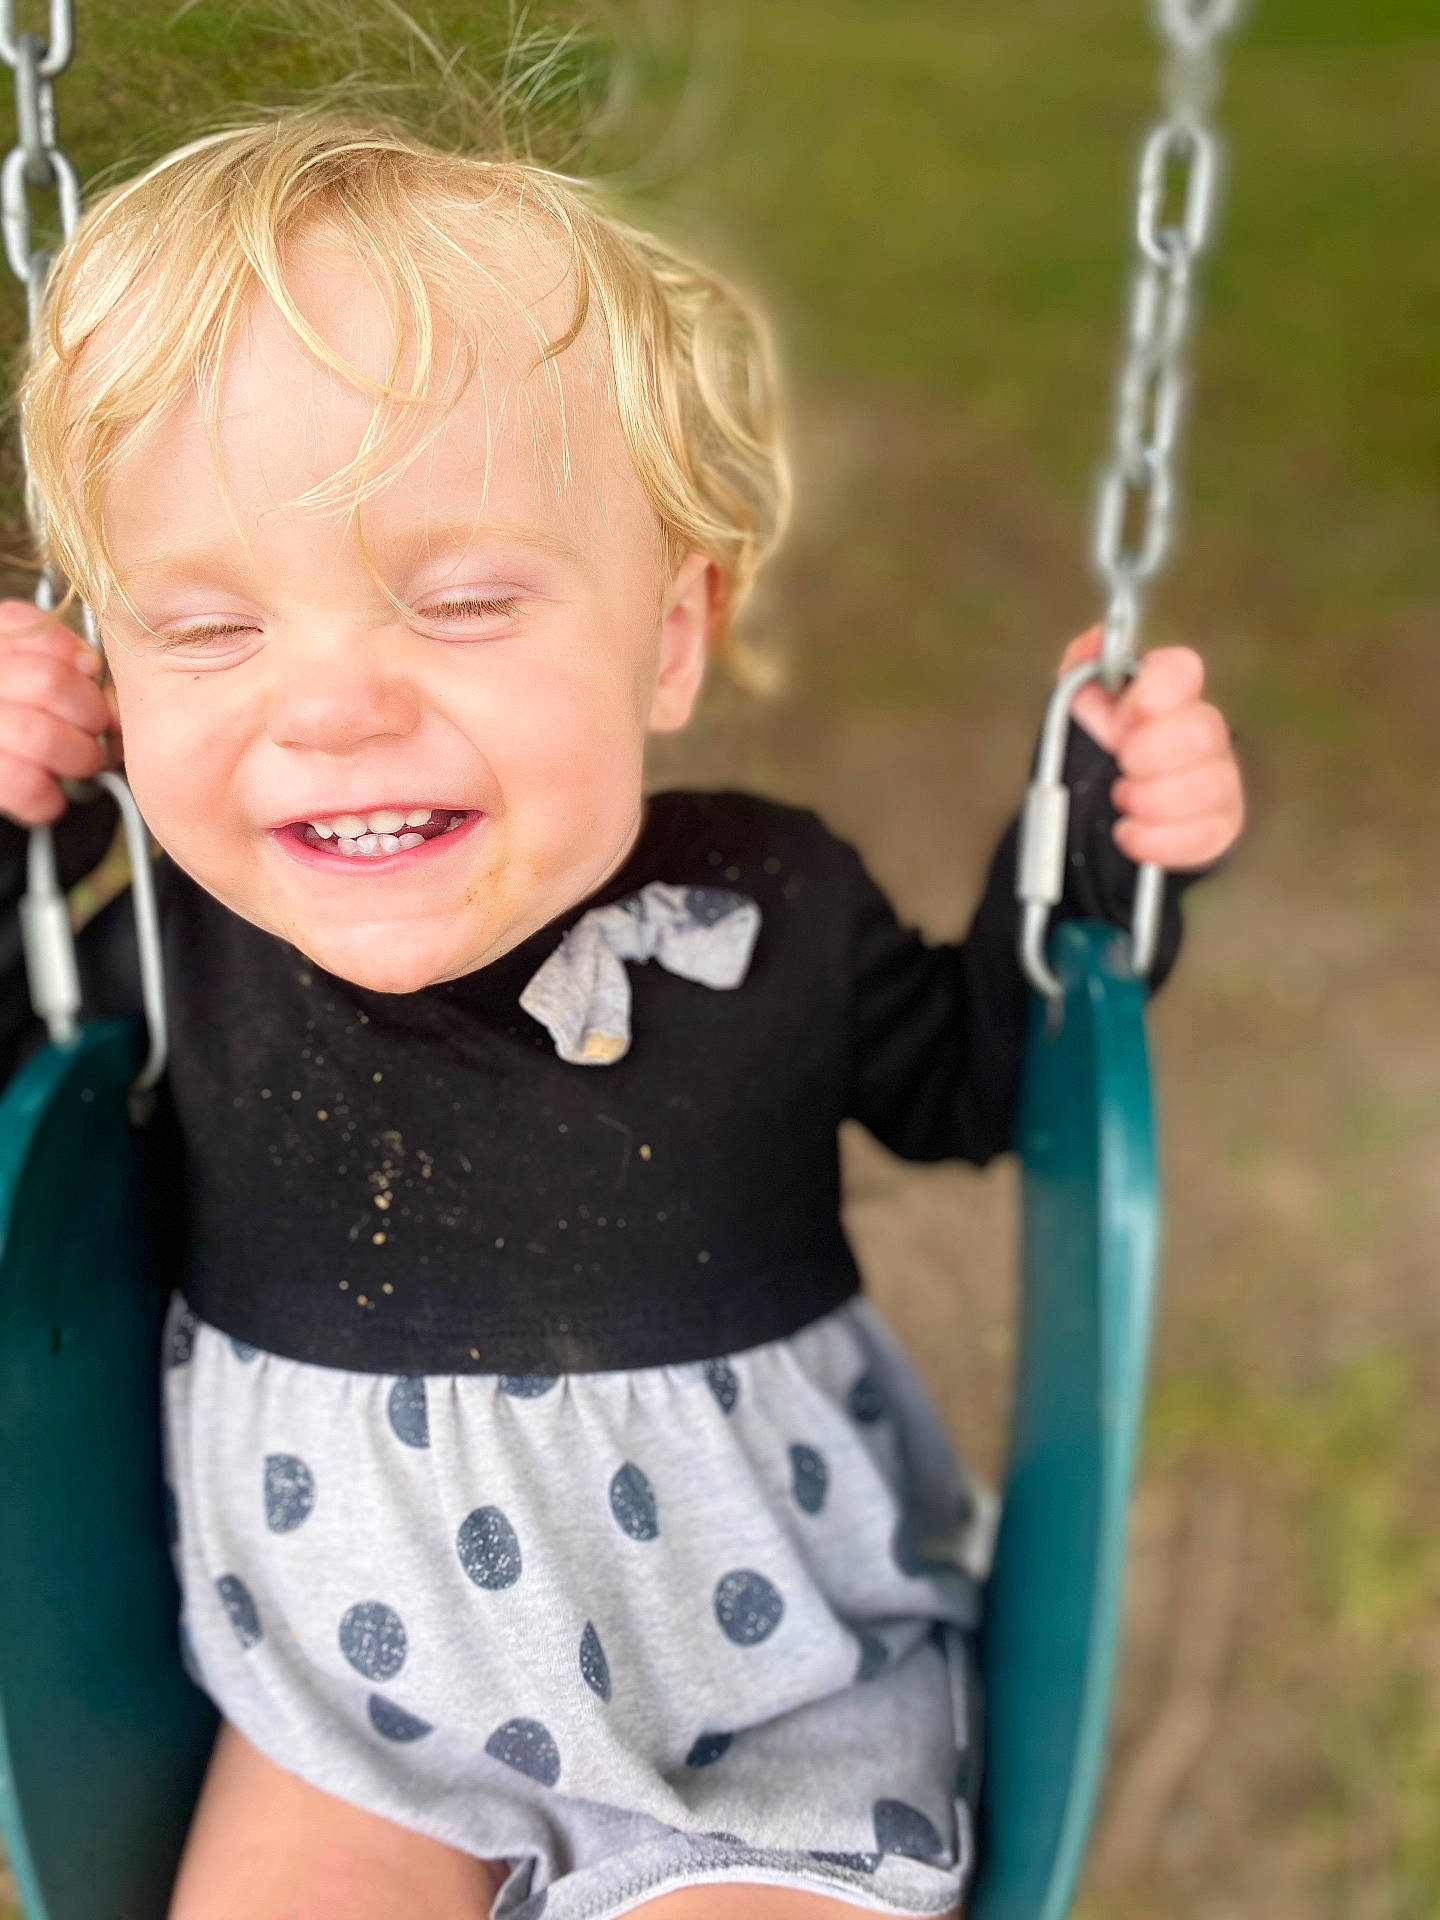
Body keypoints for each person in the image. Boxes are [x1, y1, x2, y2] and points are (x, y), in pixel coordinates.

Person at [0, 114, 1243, 1920]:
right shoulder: (171, 955)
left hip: (767, 1719)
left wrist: (1102, 842)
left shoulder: (772, 910)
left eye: (463, 599)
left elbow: (995, 1074)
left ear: (673, 636)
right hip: (348, 1736)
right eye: (205, 632)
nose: (331, 706)